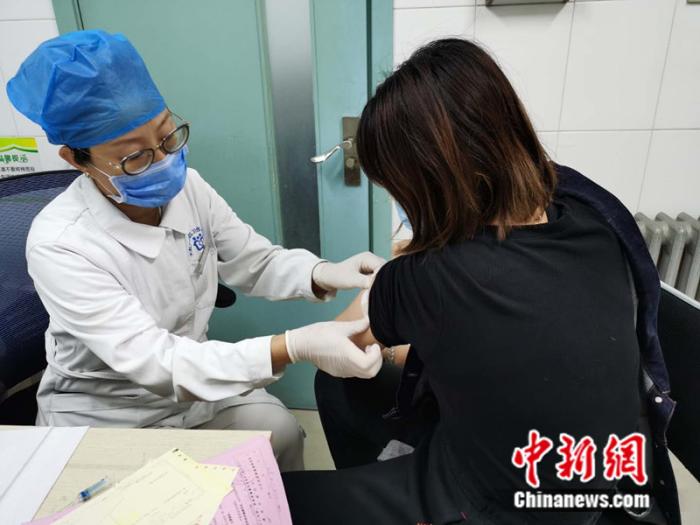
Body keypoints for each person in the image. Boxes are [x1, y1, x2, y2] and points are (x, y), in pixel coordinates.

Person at [282, 39, 678, 524]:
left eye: (398, 190)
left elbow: (345, 339)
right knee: (349, 389)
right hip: (605, 487)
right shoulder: (590, 217)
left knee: (267, 501)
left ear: (431, 181)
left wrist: (382, 287)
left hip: (499, 506)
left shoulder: (432, 276)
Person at [6, 29, 384, 472]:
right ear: (77, 160)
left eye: (168, 136)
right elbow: (157, 362)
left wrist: (324, 272)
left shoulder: (189, 187)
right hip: (109, 414)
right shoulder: (61, 244)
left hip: (194, 390)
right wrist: (294, 346)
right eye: (135, 158)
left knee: (278, 432)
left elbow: (255, 261)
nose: (164, 161)